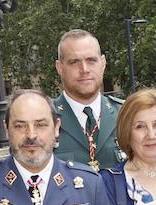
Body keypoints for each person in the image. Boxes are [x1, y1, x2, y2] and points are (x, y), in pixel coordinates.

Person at [52, 29, 124, 171]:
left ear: (103, 63)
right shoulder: (45, 120)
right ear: (60, 68)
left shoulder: (126, 114)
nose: (84, 69)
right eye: (74, 62)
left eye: (91, 60)